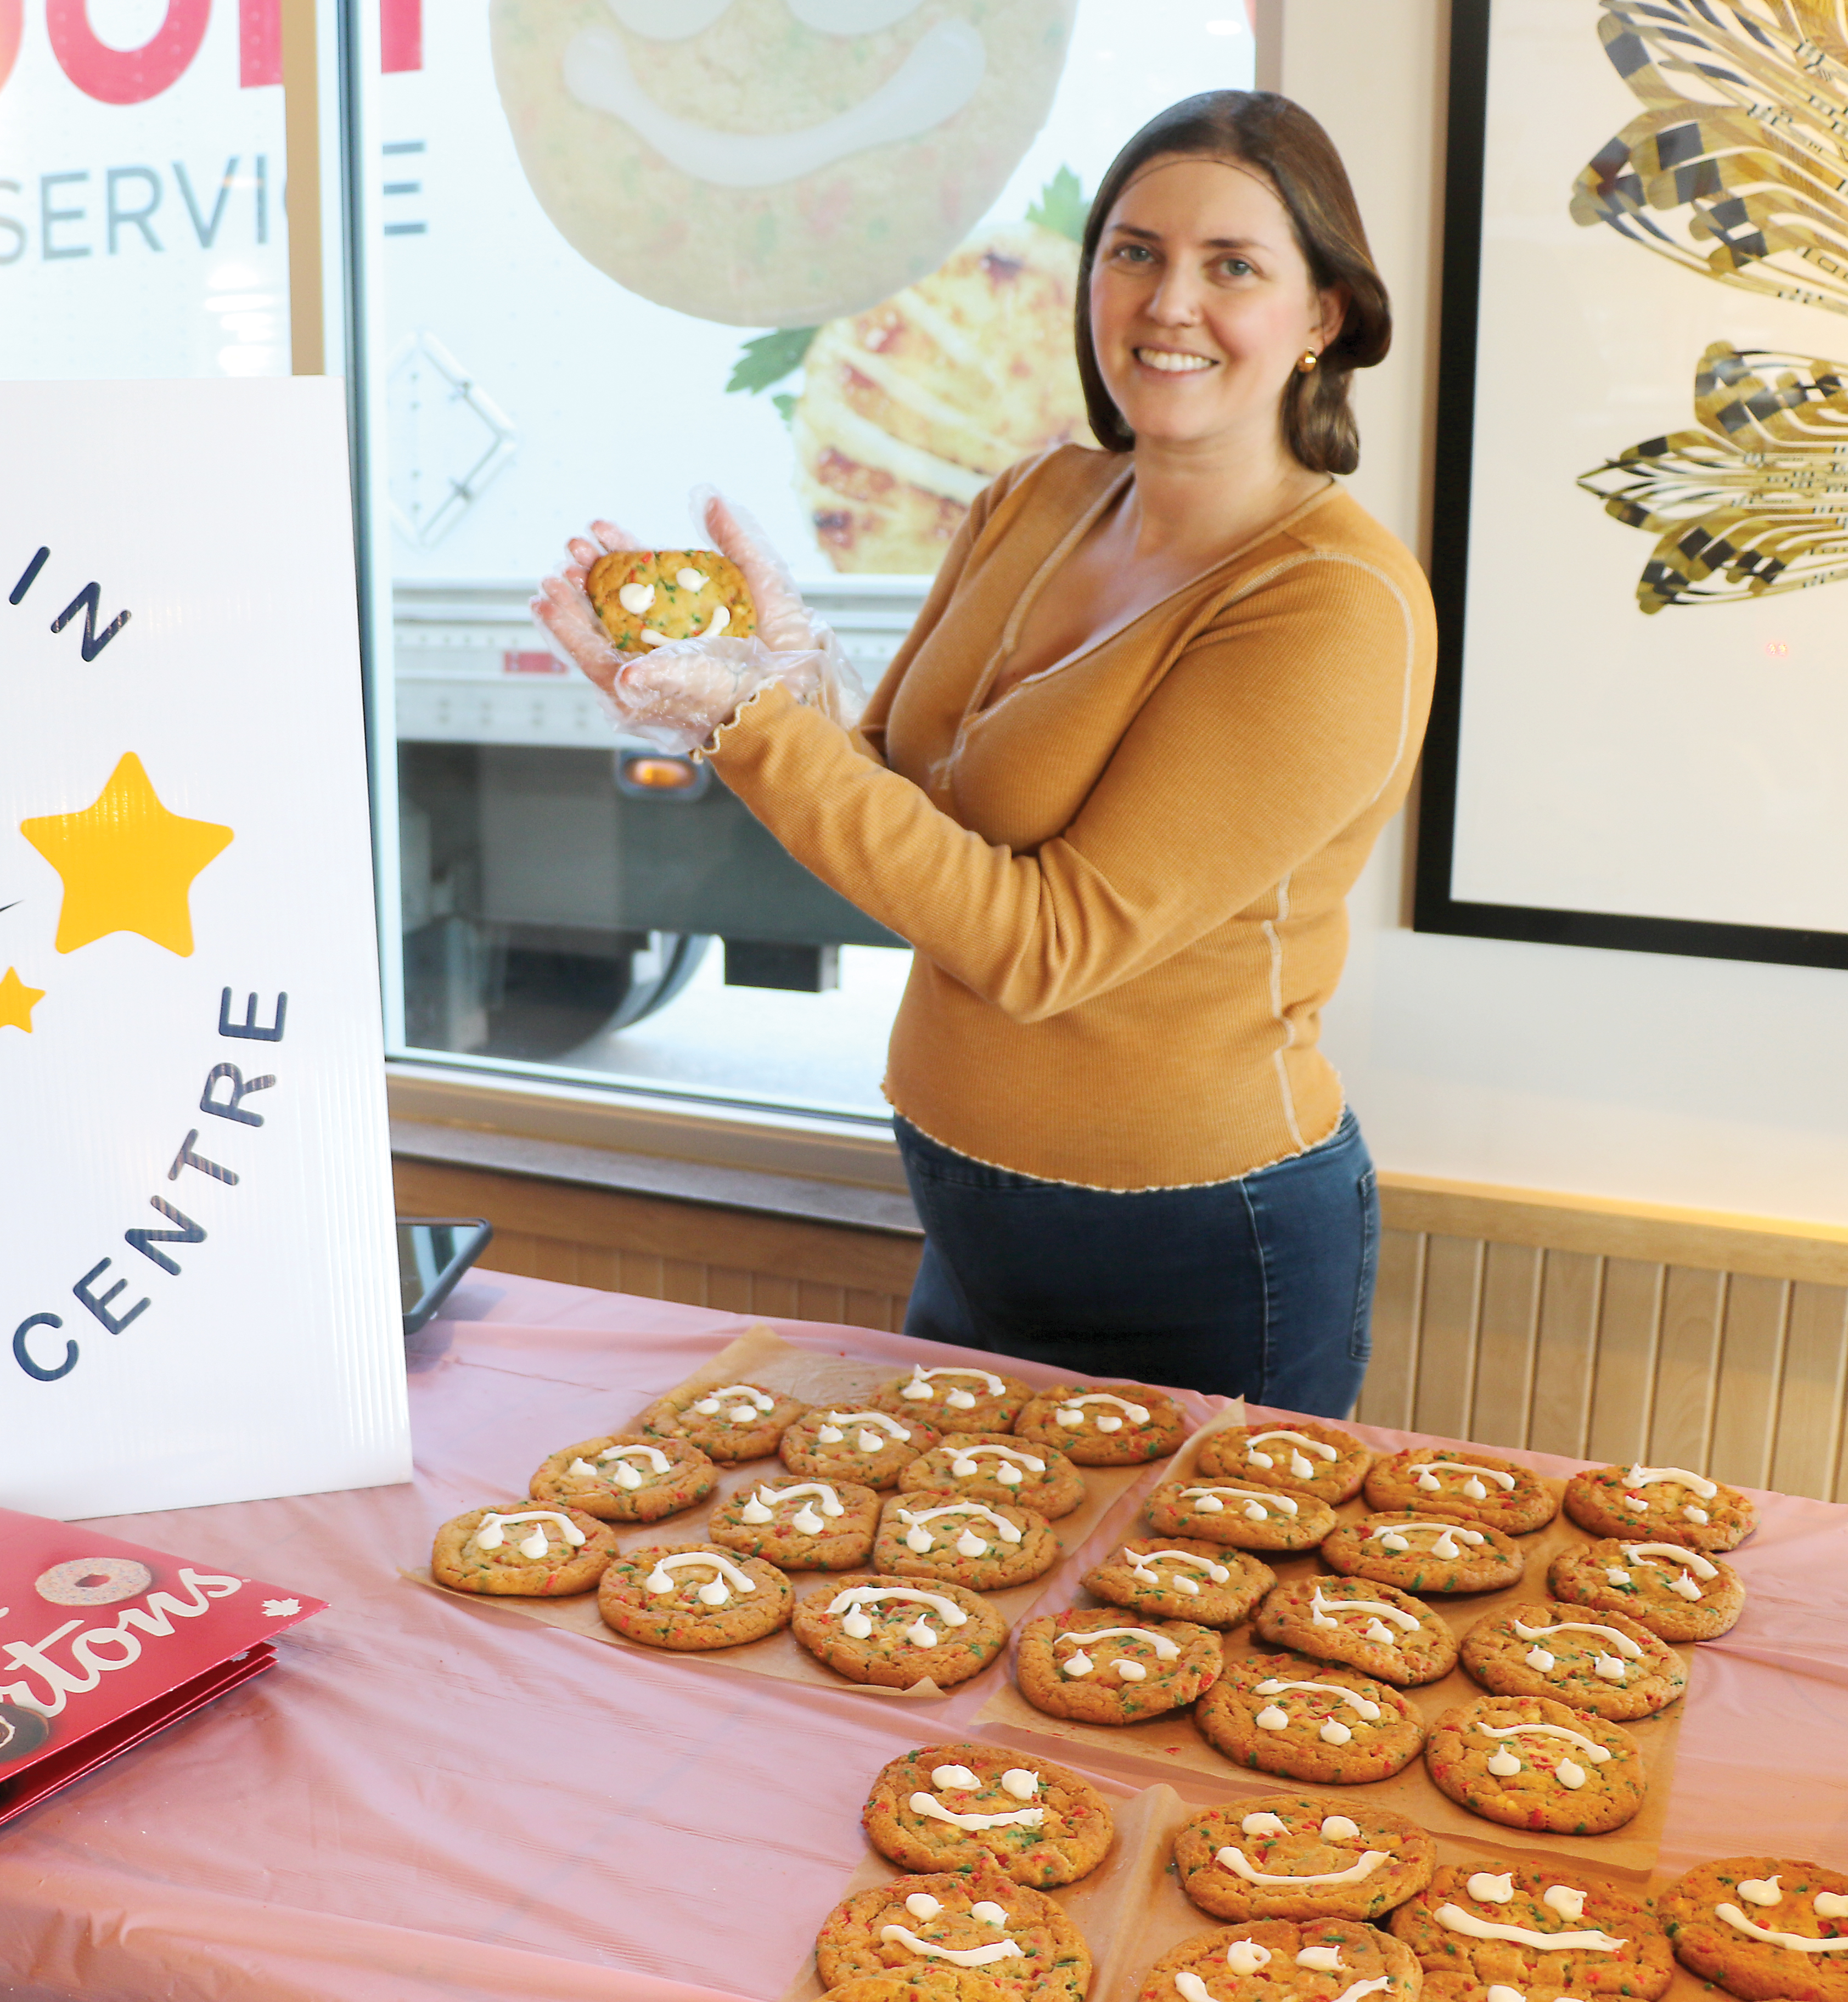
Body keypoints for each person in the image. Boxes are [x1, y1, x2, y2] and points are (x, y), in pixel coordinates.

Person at [533, 91, 1433, 1417]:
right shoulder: (1044, 494)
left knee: (1155, 1628)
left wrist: (751, 722)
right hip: (968, 1210)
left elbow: (1046, 947)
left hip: (1197, 1242)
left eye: (1231, 266)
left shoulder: (1331, 605)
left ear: (1324, 318)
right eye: (1133, 253)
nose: (1168, 303)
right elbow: (898, 798)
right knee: (939, 1614)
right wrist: (787, 674)